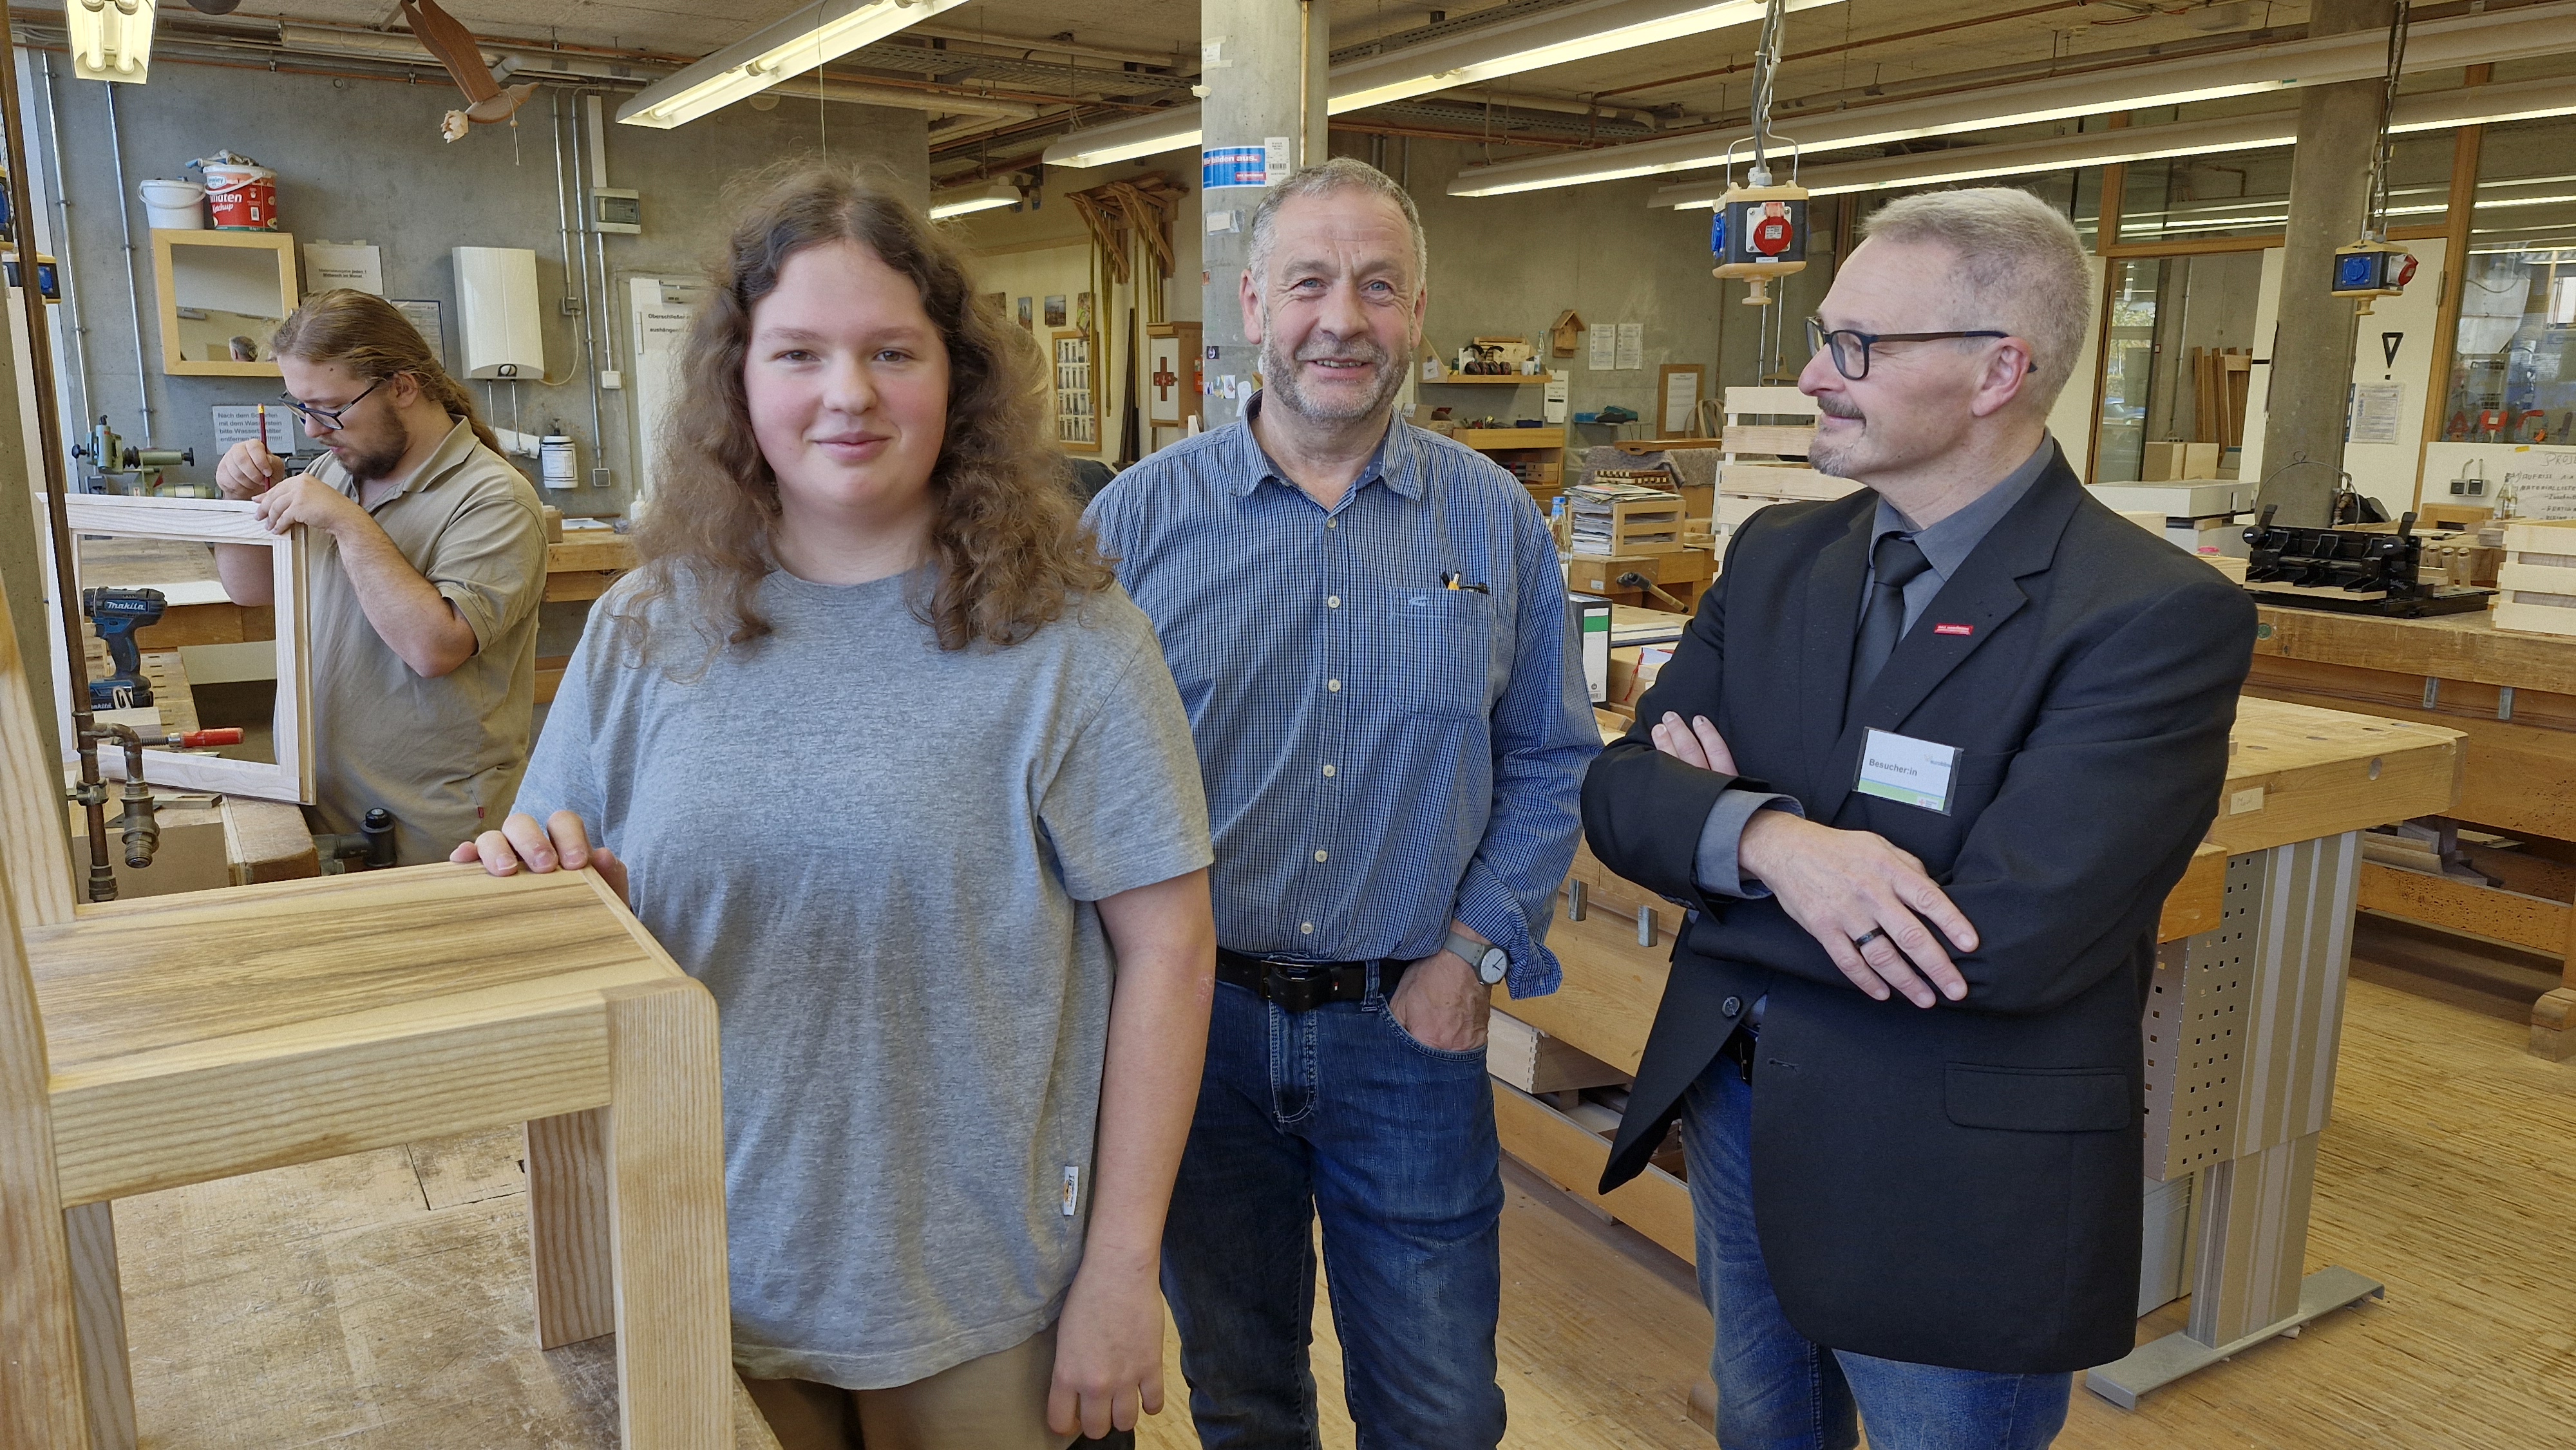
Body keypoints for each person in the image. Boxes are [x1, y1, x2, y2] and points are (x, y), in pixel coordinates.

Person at [452, 160, 1217, 1449]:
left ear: (954, 378)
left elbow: (1170, 949)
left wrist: (1121, 1268)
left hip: (980, 1292)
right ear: (738, 384)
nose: (847, 394)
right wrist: (529, 879)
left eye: (890, 352)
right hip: (703, 1268)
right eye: (798, 352)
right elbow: (566, 900)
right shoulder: (648, 627)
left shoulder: (1068, 636)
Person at [1580, 187, 2257, 1449]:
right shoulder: (1778, 552)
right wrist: (1789, 847)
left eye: (1855, 347)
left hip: (1950, 1169)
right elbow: (1622, 796)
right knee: (1759, 1424)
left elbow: (2000, 936)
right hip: (1735, 1108)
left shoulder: (2147, 614)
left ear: (1999, 369)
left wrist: (1717, 838)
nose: (1809, 374)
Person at [1087, 157, 1597, 1449]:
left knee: (1436, 1407)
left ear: (1416, 314)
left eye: (1378, 288)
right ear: (1251, 304)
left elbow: (1549, 755)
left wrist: (1471, 949)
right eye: (1309, 283)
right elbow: (1057, 775)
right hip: (1190, 1038)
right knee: (1243, 1394)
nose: (1341, 319)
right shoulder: (1131, 529)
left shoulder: (1492, 525)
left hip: (1403, 1034)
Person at [211, 288, 546, 863]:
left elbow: (435, 647)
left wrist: (347, 523)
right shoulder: (335, 468)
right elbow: (252, 591)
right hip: (319, 793)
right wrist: (237, 499)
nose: (314, 430)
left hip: (426, 823)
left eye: (329, 407)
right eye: (301, 407)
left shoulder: (495, 499)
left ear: (402, 387)